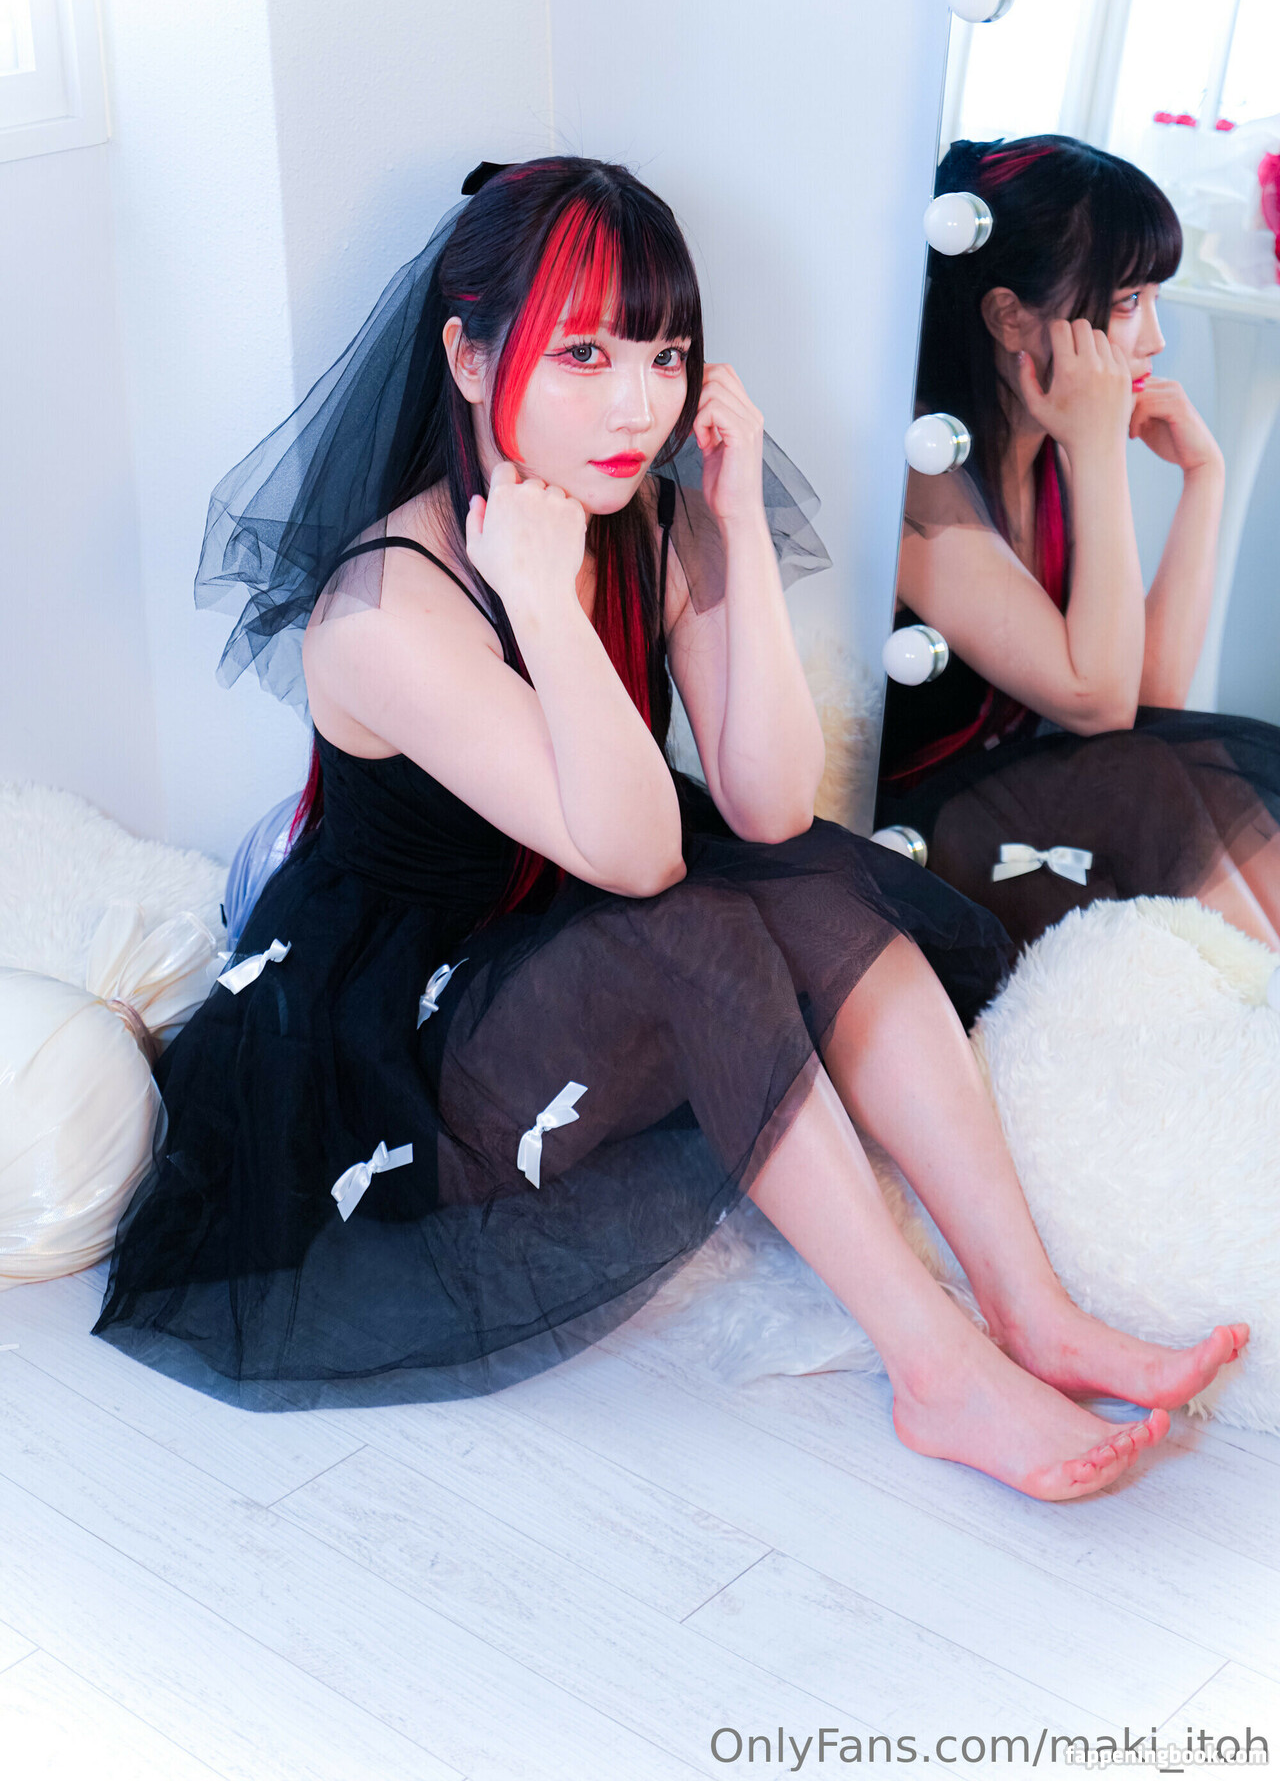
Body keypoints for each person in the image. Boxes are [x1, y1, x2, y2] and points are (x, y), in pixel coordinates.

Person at [92, 156, 1247, 1502]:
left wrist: (734, 525)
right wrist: (540, 601)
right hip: (402, 1043)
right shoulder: (386, 608)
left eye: (663, 356)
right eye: (582, 355)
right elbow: (638, 855)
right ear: (468, 359)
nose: (636, 406)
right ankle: (936, 1369)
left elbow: (765, 804)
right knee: (695, 929)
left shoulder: (638, 509)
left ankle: (1029, 1307)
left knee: (811, 885)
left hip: (563, 937)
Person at [877, 134, 1280, 956]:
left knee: (1180, 777)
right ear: (1008, 315)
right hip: (917, 838)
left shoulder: (1049, 443)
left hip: (1025, 807)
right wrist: (1097, 450)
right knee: (1159, 793)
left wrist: (1204, 480)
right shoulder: (921, 462)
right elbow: (1102, 704)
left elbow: (1150, 702)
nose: (1154, 339)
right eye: (1128, 302)